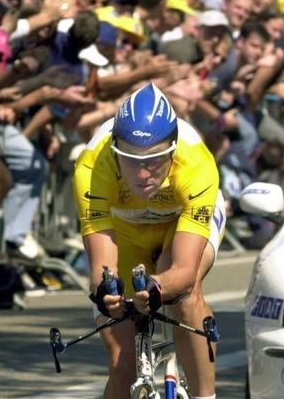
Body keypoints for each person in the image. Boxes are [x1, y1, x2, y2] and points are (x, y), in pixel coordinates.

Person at [73, 83, 226, 399]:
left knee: (185, 294)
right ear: (114, 150)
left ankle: (205, 396)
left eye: (155, 160)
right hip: (125, 230)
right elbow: (102, 267)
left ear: (172, 149)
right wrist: (106, 293)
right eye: (130, 160)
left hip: (179, 225)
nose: (143, 174)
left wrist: (158, 287)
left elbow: (182, 270)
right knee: (122, 367)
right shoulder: (92, 166)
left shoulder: (197, 164)